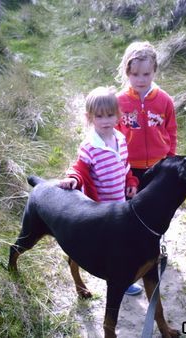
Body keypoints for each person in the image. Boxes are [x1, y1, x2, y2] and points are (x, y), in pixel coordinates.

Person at [57, 86, 142, 295]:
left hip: (120, 205)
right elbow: (80, 168)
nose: (105, 121)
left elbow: (125, 166)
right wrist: (72, 179)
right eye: (99, 116)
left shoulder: (120, 139)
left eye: (110, 115)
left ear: (118, 115)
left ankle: (123, 278)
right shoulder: (90, 146)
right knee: (109, 246)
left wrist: (131, 182)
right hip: (100, 209)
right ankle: (110, 274)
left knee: (123, 242)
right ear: (90, 118)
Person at [115, 41, 177, 183]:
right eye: (135, 74)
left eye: (146, 74)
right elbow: (113, 133)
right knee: (132, 204)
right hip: (128, 167)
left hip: (159, 165)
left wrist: (170, 158)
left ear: (154, 70)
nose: (141, 80)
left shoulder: (165, 100)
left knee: (157, 204)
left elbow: (171, 131)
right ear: (127, 71)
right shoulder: (118, 101)